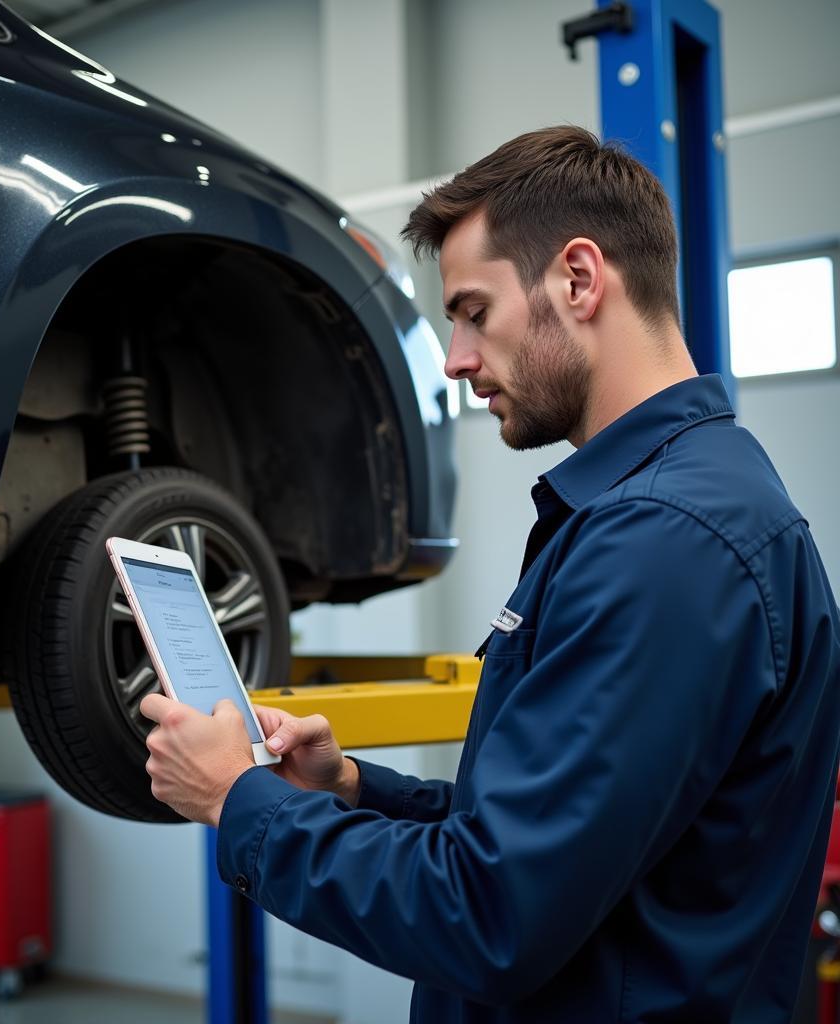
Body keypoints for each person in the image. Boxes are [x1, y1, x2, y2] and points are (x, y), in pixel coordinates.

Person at [140, 126, 840, 1022]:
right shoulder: (677, 511)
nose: (457, 357)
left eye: (473, 311)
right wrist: (353, 788)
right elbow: (547, 842)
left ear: (580, 280)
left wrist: (239, 803)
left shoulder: (665, 543)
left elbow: (486, 915)